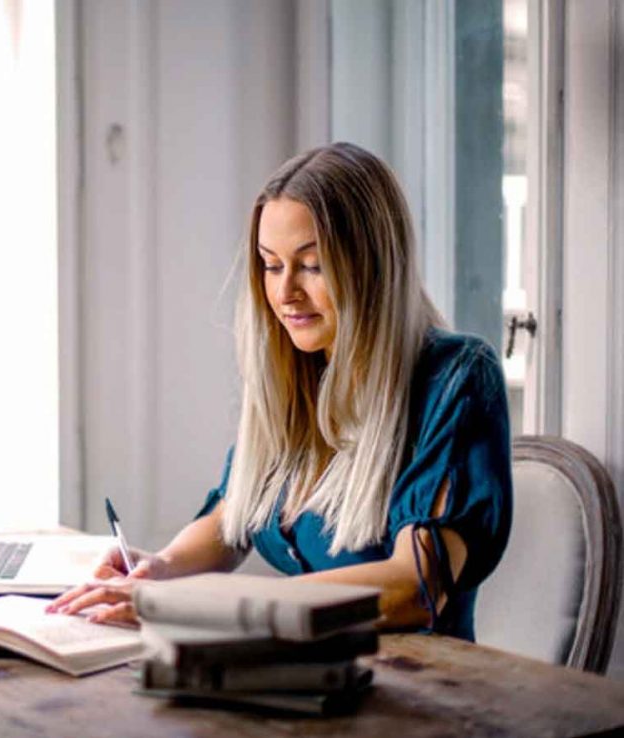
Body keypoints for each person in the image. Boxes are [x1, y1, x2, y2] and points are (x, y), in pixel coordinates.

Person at [48, 141, 512, 641]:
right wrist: (161, 569)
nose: (285, 293)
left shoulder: (456, 380)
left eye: (312, 266)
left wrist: (200, 603)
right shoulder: (298, 372)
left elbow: (413, 588)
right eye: (271, 265)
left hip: (419, 689)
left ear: (375, 267)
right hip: (297, 673)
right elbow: (235, 515)